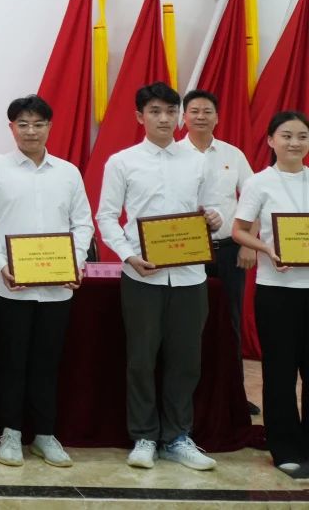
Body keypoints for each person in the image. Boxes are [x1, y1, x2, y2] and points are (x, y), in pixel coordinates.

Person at [96, 82, 222, 472]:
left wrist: (215, 218)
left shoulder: (198, 161)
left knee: (186, 360)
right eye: (155, 111)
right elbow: (105, 216)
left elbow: (212, 211)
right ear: (140, 117)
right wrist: (129, 256)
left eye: (170, 111)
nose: (164, 119)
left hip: (190, 276)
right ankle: (144, 436)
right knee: (141, 359)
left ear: (179, 116)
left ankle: (177, 436)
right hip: (142, 276)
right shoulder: (122, 162)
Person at [0, 95, 92, 468]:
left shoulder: (68, 172)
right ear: (12, 129)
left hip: (57, 288)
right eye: (23, 124)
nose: (31, 131)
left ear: (49, 127)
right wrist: (2, 264)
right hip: (10, 286)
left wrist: (76, 262)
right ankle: (10, 433)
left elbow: (82, 222)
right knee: (11, 362)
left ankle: (44, 435)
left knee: (47, 363)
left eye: (38, 124)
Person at [232, 110, 309, 479]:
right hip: (276, 290)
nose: (294, 142)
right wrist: (267, 249)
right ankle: (285, 447)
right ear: (271, 140)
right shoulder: (259, 182)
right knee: (279, 371)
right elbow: (239, 230)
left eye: (302, 136)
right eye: (286, 135)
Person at [177, 89, 258, 415]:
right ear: (184, 117)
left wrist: (248, 243)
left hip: (228, 251)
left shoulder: (232, 154)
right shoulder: (173, 155)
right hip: (186, 251)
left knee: (230, 323)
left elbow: (255, 199)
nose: (200, 116)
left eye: (207, 111)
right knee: (186, 325)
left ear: (217, 117)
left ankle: (233, 396)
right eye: (194, 111)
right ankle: (189, 397)